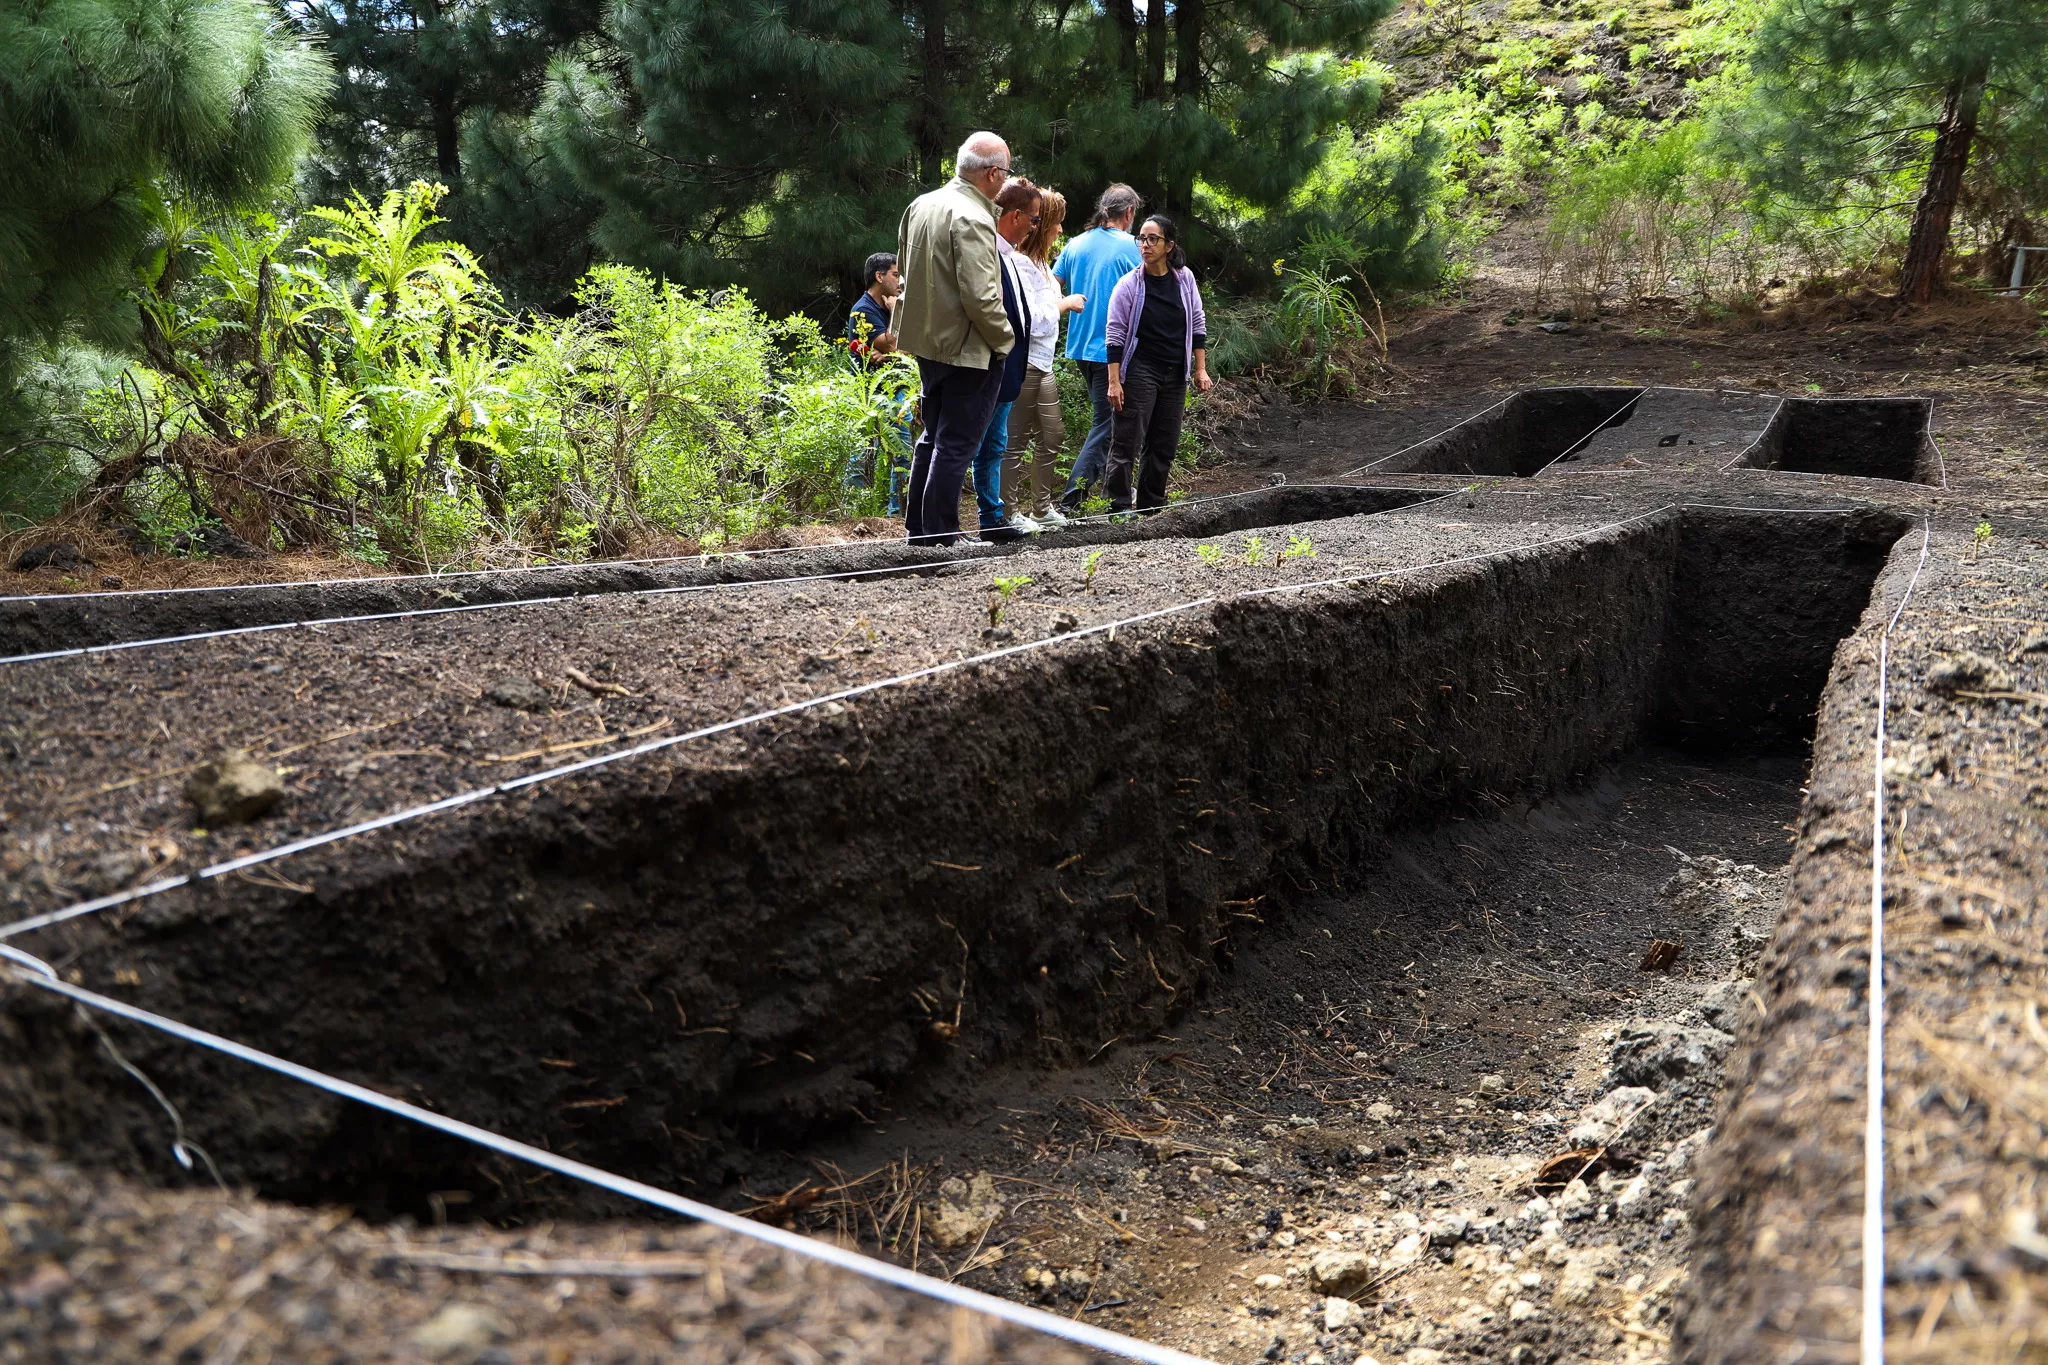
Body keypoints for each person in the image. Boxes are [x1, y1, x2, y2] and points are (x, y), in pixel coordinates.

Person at [894, 131, 1017, 547]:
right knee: (956, 443)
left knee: (932, 437)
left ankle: (920, 531)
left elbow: (905, 275)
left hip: (927, 345)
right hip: (968, 349)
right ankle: (942, 535)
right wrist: (1005, 340)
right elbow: (981, 297)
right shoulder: (974, 217)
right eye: (1006, 173)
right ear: (993, 173)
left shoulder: (921, 204)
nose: (1005, 181)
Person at [1102, 214, 1212, 514]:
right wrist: (1114, 382)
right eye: (1142, 239)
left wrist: (1200, 368)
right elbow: (1114, 336)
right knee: (1127, 442)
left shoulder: (1184, 279)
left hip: (1175, 373)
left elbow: (1198, 323)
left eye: (1153, 239)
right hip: (1140, 371)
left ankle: (1151, 507)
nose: (1146, 245)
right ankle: (1118, 509)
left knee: (1164, 443)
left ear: (1169, 245)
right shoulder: (1129, 285)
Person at [1052, 184, 1143, 513]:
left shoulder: (1075, 244)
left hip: (1081, 347)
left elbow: (1051, 287)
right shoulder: (1133, 247)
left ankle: (1116, 489)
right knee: (1108, 425)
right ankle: (1071, 500)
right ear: (1129, 212)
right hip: (1113, 351)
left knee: (1111, 422)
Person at [965, 179, 1045, 541]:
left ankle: (992, 518)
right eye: (1034, 219)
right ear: (1015, 216)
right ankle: (952, 524)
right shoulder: (988, 253)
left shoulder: (1010, 256)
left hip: (1007, 369)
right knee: (970, 444)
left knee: (994, 444)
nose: (1034, 226)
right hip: (988, 366)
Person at [1004, 187, 1084, 526]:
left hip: (1044, 363)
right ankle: (1007, 512)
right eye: (1057, 222)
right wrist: (1065, 303)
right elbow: (1032, 320)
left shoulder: (1041, 264)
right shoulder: (1021, 263)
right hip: (1026, 363)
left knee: (1052, 435)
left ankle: (1041, 508)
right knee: (1015, 440)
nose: (1060, 229)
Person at [845, 252, 912, 514]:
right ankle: (853, 512)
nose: (899, 281)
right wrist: (896, 314)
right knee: (863, 453)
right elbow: (894, 344)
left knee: (901, 449)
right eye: (895, 274)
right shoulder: (863, 309)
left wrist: (891, 350)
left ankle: (897, 513)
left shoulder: (891, 306)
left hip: (896, 390)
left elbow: (909, 347)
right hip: (870, 393)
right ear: (879, 276)